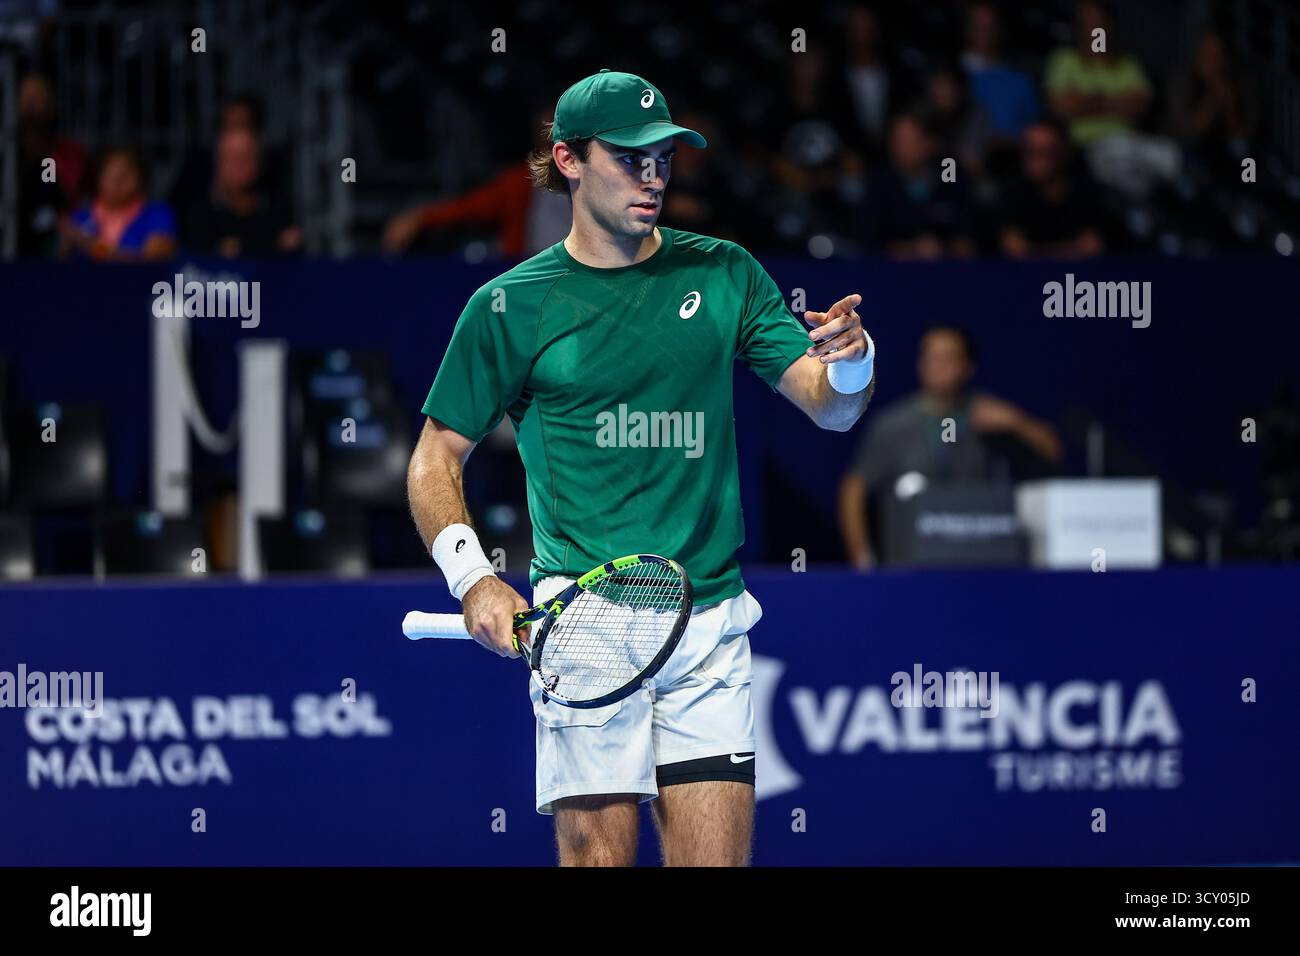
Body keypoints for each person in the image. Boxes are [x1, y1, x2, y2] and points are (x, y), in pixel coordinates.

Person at [406, 69, 875, 866]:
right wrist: (474, 578)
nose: (652, 176)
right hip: (584, 627)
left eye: (662, 158)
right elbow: (433, 458)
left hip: (710, 621)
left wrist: (854, 364)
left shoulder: (725, 272)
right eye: (628, 158)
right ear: (568, 159)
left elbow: (827, 405)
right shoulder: (507, 306)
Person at [838, 325, 1060, 570]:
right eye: (930, 357)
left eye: (948, 358)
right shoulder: (893, 425)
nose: (937, 366)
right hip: (909, 567)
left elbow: (1052, 452)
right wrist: (863, 559)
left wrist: (1016, 422)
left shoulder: (988, 415)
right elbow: (853, 490)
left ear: (967, 367)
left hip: (978, 565)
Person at [383, 107, 571, 258]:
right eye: (546, 138)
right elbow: (466, 208)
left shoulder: (595, 181)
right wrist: (420, 217)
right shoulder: (519, 184)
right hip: (533, 282)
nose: (553, 145)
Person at [862, 112, 978, 259]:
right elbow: (866, 243)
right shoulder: (878, 182)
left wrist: (943, 249)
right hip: (892, 276)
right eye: (896, 140)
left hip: (948, 274)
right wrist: (911, 249)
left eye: (909, 140)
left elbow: (968, 239)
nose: (900, 147)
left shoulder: (952, 177)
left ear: (929, 143)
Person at [1045, 0, 1152, 148]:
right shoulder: (1065, 60)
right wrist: (1117, 100)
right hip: (1083, 145)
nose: (1095, 28)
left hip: (1129, 143)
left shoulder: (1128, 64)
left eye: (1099, 22)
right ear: (1079, 27)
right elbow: (1061, 107)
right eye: (1089, 22)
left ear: (1109, 25)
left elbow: (1140, 105)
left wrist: (1089, 100)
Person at [182, 126, 302, 257]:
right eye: (232, 158)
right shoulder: (200, 212)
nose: (238, 166)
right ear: (218, 164)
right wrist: (272, 244)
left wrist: (239, 247)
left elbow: (292, 246)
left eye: (245, 157)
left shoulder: (278, 208)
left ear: (259, 163)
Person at [999, 120, 1105, 259]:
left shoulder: (1086, 190)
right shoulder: (1012, 192)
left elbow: (1092, 247)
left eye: (1046, 152)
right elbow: (1014, 249)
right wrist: (1070, 250)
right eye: (1030, 151)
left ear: (1064, 153)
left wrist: (1036, 252)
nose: (1037, 159)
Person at [61, 146, 177, 261]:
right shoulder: (78, 218)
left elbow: (151, 260)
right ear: (97, 178)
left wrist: (88, 244)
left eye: (126, 173)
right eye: (109, 173)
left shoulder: (157, 214)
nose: (117, 180)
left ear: (142, 177)